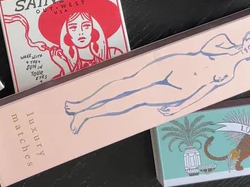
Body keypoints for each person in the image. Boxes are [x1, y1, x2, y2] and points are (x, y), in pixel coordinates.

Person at [64, 31, 250, 134]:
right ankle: (82, 104)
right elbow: (207, 49)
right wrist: (232, 50)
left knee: (136, 100)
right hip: (177, 64)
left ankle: (86, 115)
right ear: (246, 37)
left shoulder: (230, 74)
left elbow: (204, 91)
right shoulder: (223, 39)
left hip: (183, 89)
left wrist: (180, 107)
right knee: (129, 83)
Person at [38, 0, 123, 77]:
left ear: (93, 28)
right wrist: (65, 67)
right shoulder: (64, 61)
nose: (80, 32)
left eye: (86, 26)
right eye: (73, 28)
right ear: (66, 32)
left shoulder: (114, 53)